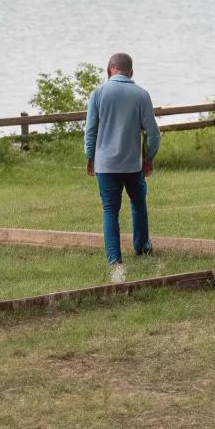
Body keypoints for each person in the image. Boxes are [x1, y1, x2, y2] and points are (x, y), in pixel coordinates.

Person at [84, 52, 160, 283]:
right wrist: (148, 157)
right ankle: (142, 246)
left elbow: (91, 131)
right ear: (131, 72)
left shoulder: (98, 94)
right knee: (138, 204)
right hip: (132, 164)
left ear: (109, 70)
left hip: (106, 165)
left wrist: (90, 157)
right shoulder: (141, 95)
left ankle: (114, 259)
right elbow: (153, 133)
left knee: (110, 210)